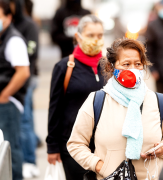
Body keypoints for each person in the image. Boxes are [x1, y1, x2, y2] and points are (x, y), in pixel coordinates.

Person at [67, 38, 163, 180]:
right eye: (126, 64)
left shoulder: (159, 101)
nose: (133, 69)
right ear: (111, 67)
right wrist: (100, 166)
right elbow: (76, 144)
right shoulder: (96, 101)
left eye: (138, 64)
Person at [46, 15, 105, 180]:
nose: (95, 40)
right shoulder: (64, 67)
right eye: (90, 35)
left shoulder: (109, 67)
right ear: (78, 37)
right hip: (73, 146)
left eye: (99, 35)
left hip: (105, 146)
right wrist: (52, 146)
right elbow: (54, 109)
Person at [9, 0, 40, 178]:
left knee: (25, 120)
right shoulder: (7, 24)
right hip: (9, 79)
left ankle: (30, 161)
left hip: (27, 78)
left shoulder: (29, 25)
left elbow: (32, 52)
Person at [0, 1, 30, 180]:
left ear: (8, 18)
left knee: (10, 148)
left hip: (8, 103)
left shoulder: (14, 39)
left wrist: (4, 95)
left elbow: (23, 72)